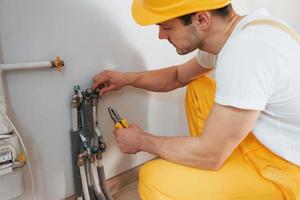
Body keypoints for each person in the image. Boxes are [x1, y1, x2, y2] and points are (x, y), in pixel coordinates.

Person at [92, 0, 300, 199]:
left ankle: (214, 166)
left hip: (289, 171)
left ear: (201, 20)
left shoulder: (246, 54)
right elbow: (177, 76)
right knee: (198, 87)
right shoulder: (243, 32)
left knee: (154, 180)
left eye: (166, 27)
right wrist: (126, 79)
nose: (161, 36)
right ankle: (215, 161)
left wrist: (141, 140)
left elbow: (210, 154)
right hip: (271, 142)